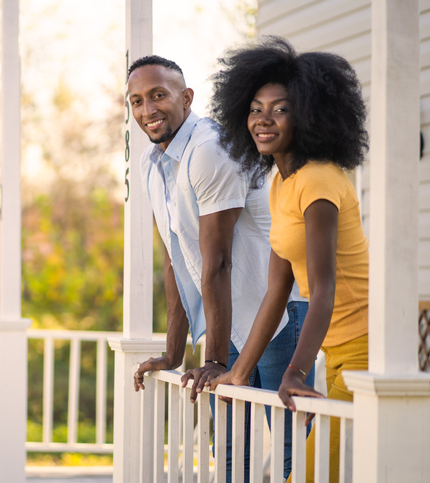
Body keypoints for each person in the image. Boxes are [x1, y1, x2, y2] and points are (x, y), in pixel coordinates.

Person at [127, 55, 312, 482]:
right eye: (136, 101)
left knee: (292, 454)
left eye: (158, 96)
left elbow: (219, 260)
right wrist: (174, 352)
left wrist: (212, 359)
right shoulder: (152, 164)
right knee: (230, 450)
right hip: (225, 321)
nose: (147, 110)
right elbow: (178, 260)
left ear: (186, 98)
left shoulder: (210, 149)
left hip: (278, 313)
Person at [208, 37, 369, 483]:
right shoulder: (282, 182)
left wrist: (295, 371)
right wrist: (238, 374)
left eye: (280, 108)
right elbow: (277, 289)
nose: (263, 119)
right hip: (338, 351)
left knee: (314, 472)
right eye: (257, 107)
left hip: (366, 348)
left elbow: (324, 287)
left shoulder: (317, 181)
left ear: (309, 115)